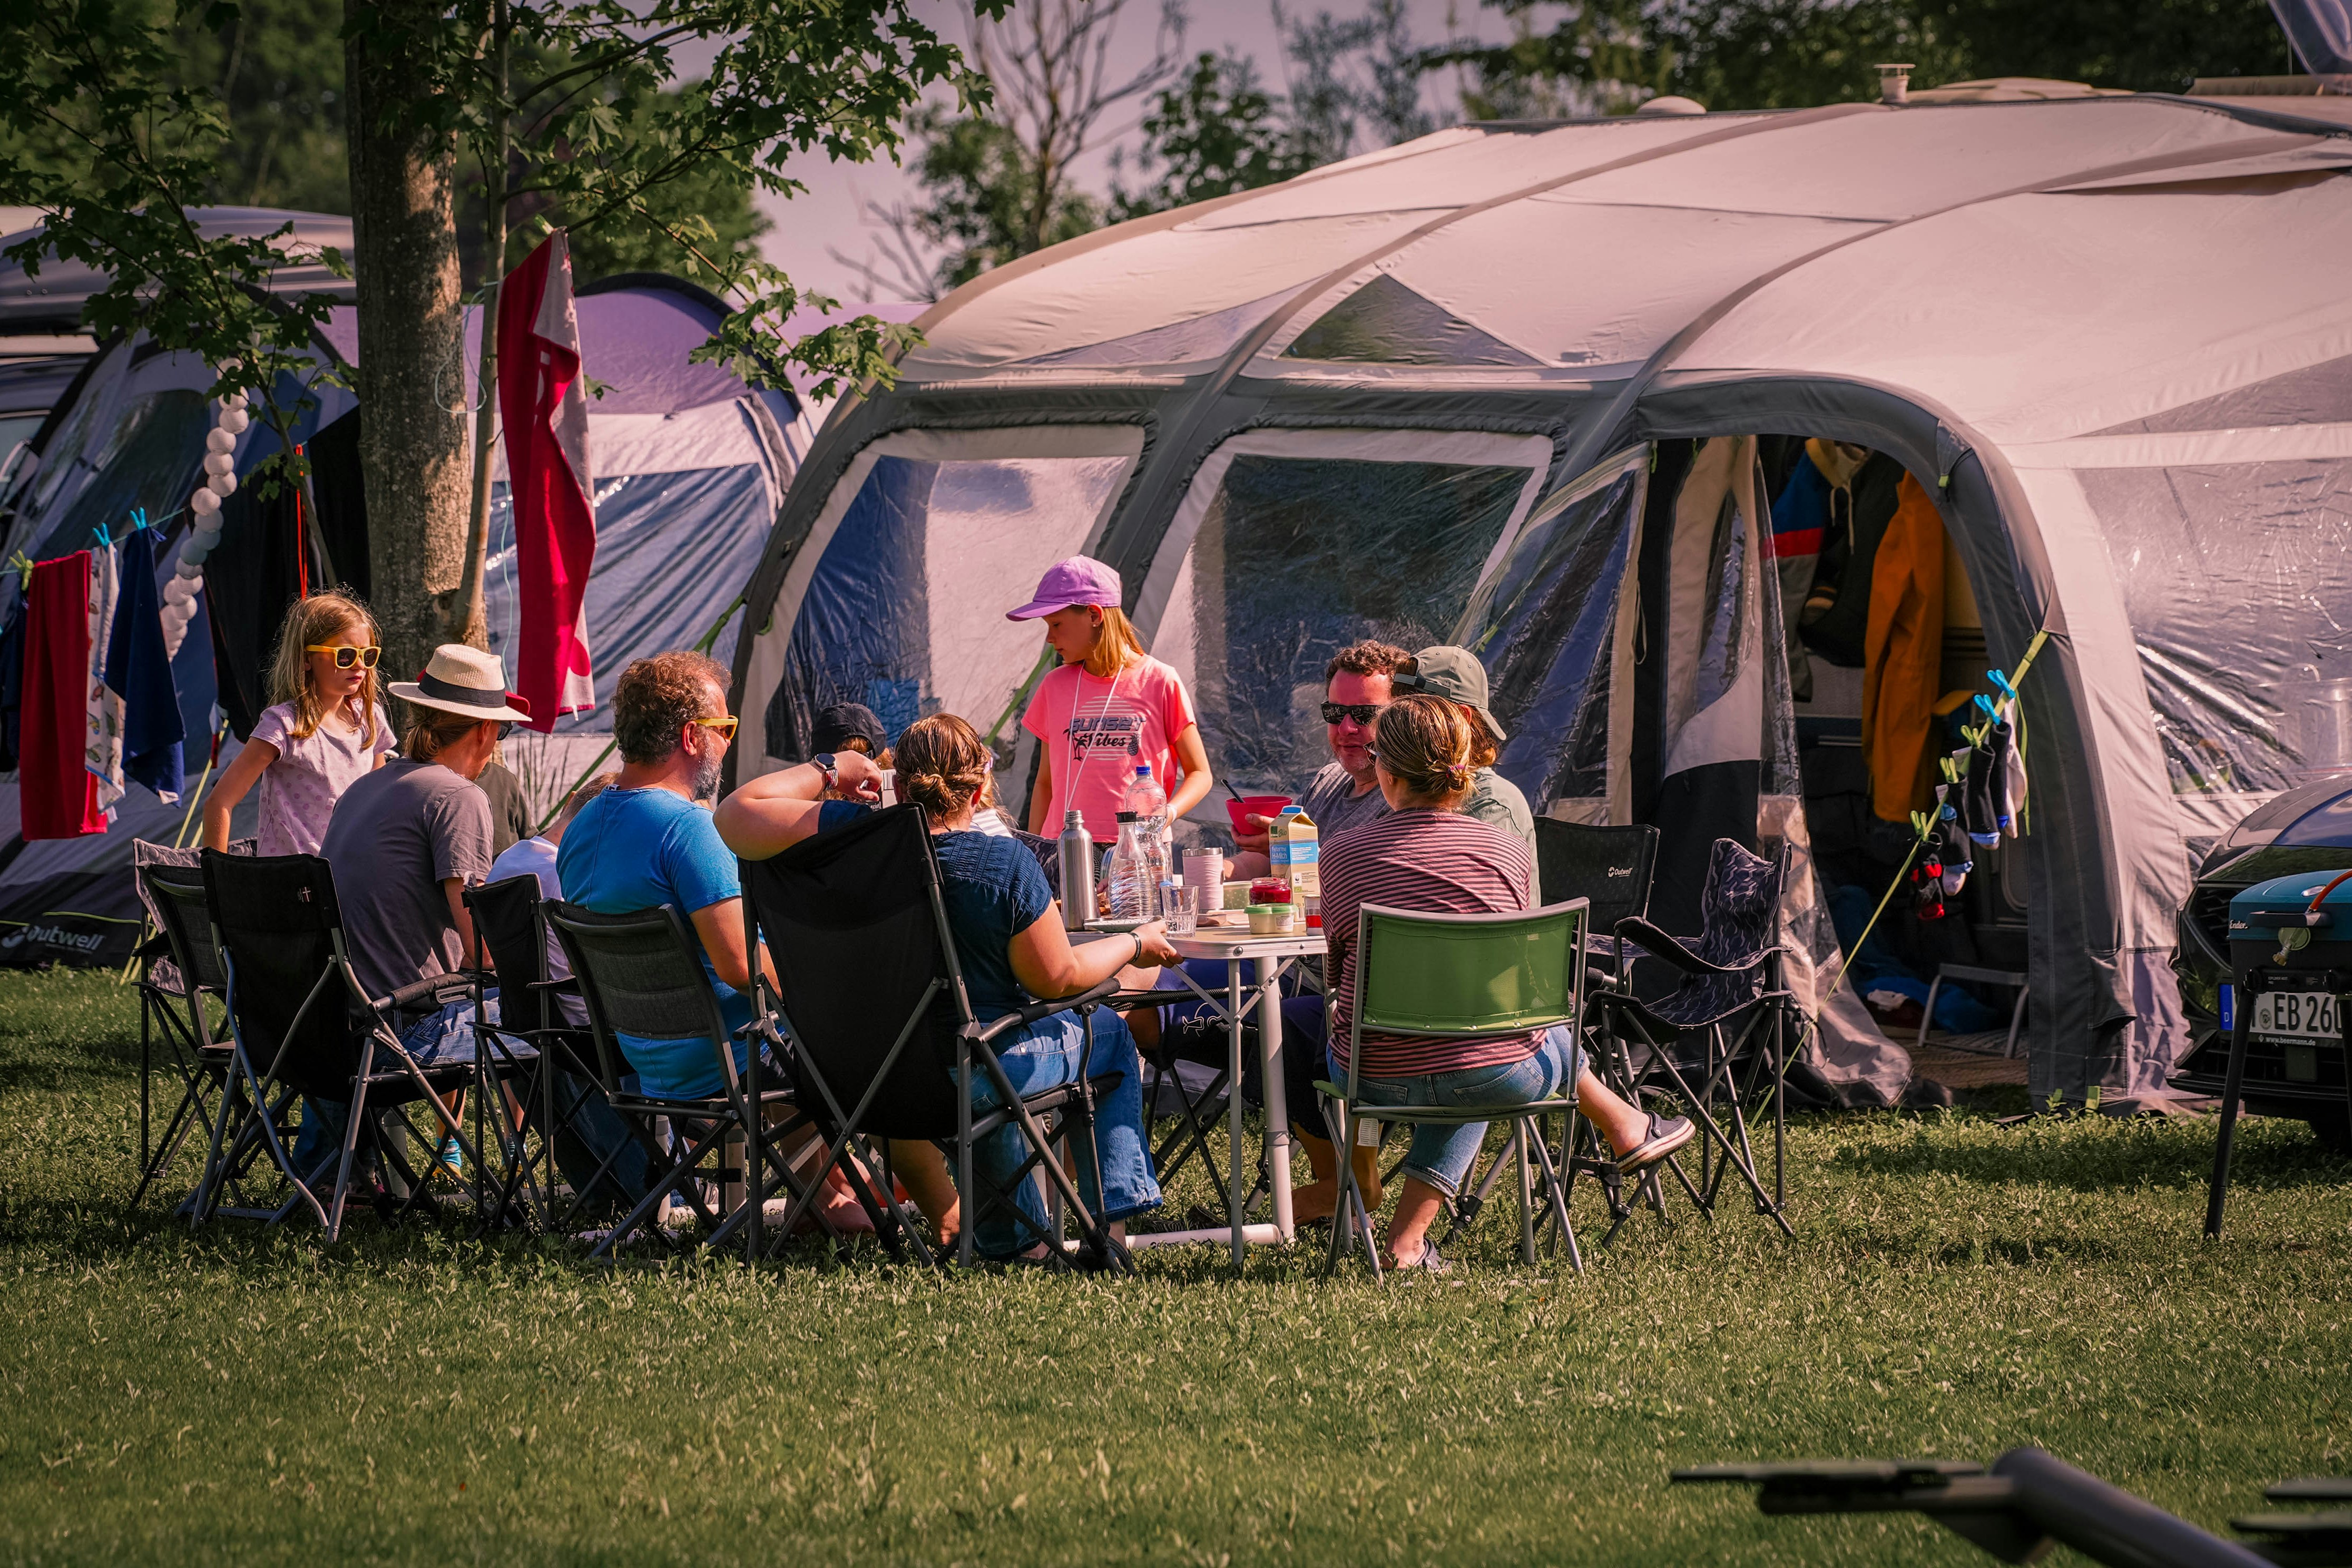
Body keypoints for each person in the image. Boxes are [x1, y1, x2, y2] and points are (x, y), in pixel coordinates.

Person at [718, 711, 1172, 1262]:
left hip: (856, 1073)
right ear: (980, 790)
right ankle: (1107, 1226)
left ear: (897, 784)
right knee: (1099, 1034)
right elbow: (1056, 979)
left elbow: (735, 814)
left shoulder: (850, 837)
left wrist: (831, 768)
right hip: (962, 1073)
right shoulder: (1002, 863)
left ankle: (1013, 1243)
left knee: (980, 1047)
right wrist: (1137, 943)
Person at [1320, 695, 1693, 1273]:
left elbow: (1337, 967)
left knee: (1468, 1040)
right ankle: (1625, 1125)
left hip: (1370, 1074)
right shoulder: (1507, 849)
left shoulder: (1340, 854)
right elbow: (1522, 979)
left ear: (1386, 773)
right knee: (1494, 1040)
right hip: (1492, 1076)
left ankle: (1373, 1207)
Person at [554, 652, 869, 1233]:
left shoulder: (584, 825)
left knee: (846, 1183)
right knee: (883, 1016)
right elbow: (743, 969)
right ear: (692, 736)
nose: (728, 743)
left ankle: (836, 1200)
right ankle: (916, 1205)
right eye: (726, 730)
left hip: (650, 1058)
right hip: (727, 1063)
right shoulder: (687, 829)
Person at [296, 645, 532, 1187]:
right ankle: (606, 1184)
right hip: (399, 1032)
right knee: (558, 1017)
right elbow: (484, 952)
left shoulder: (363, 789)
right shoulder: (458, 797)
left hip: (322, 1028)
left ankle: (339, 1175)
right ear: (484, 733)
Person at [1012, 556, 1213, 846]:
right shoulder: (1053, 686)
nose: (1049, 638)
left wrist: (1165, 815)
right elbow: (1045, 782)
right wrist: (1033, 849)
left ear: (1095, 615)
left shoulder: (1160, 680)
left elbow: (1201, 774)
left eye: (1056, 624)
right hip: (1065, 845)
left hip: (1141, 846)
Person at [202, 590, 395, 855]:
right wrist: (218, 882)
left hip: (351, 875)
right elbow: (219, 802)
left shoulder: (370, 717)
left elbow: (377, 802)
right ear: (306, 658)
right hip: (291, 883)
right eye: (346, 655)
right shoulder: (282, 724)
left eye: (369, 655)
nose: (360, 665)